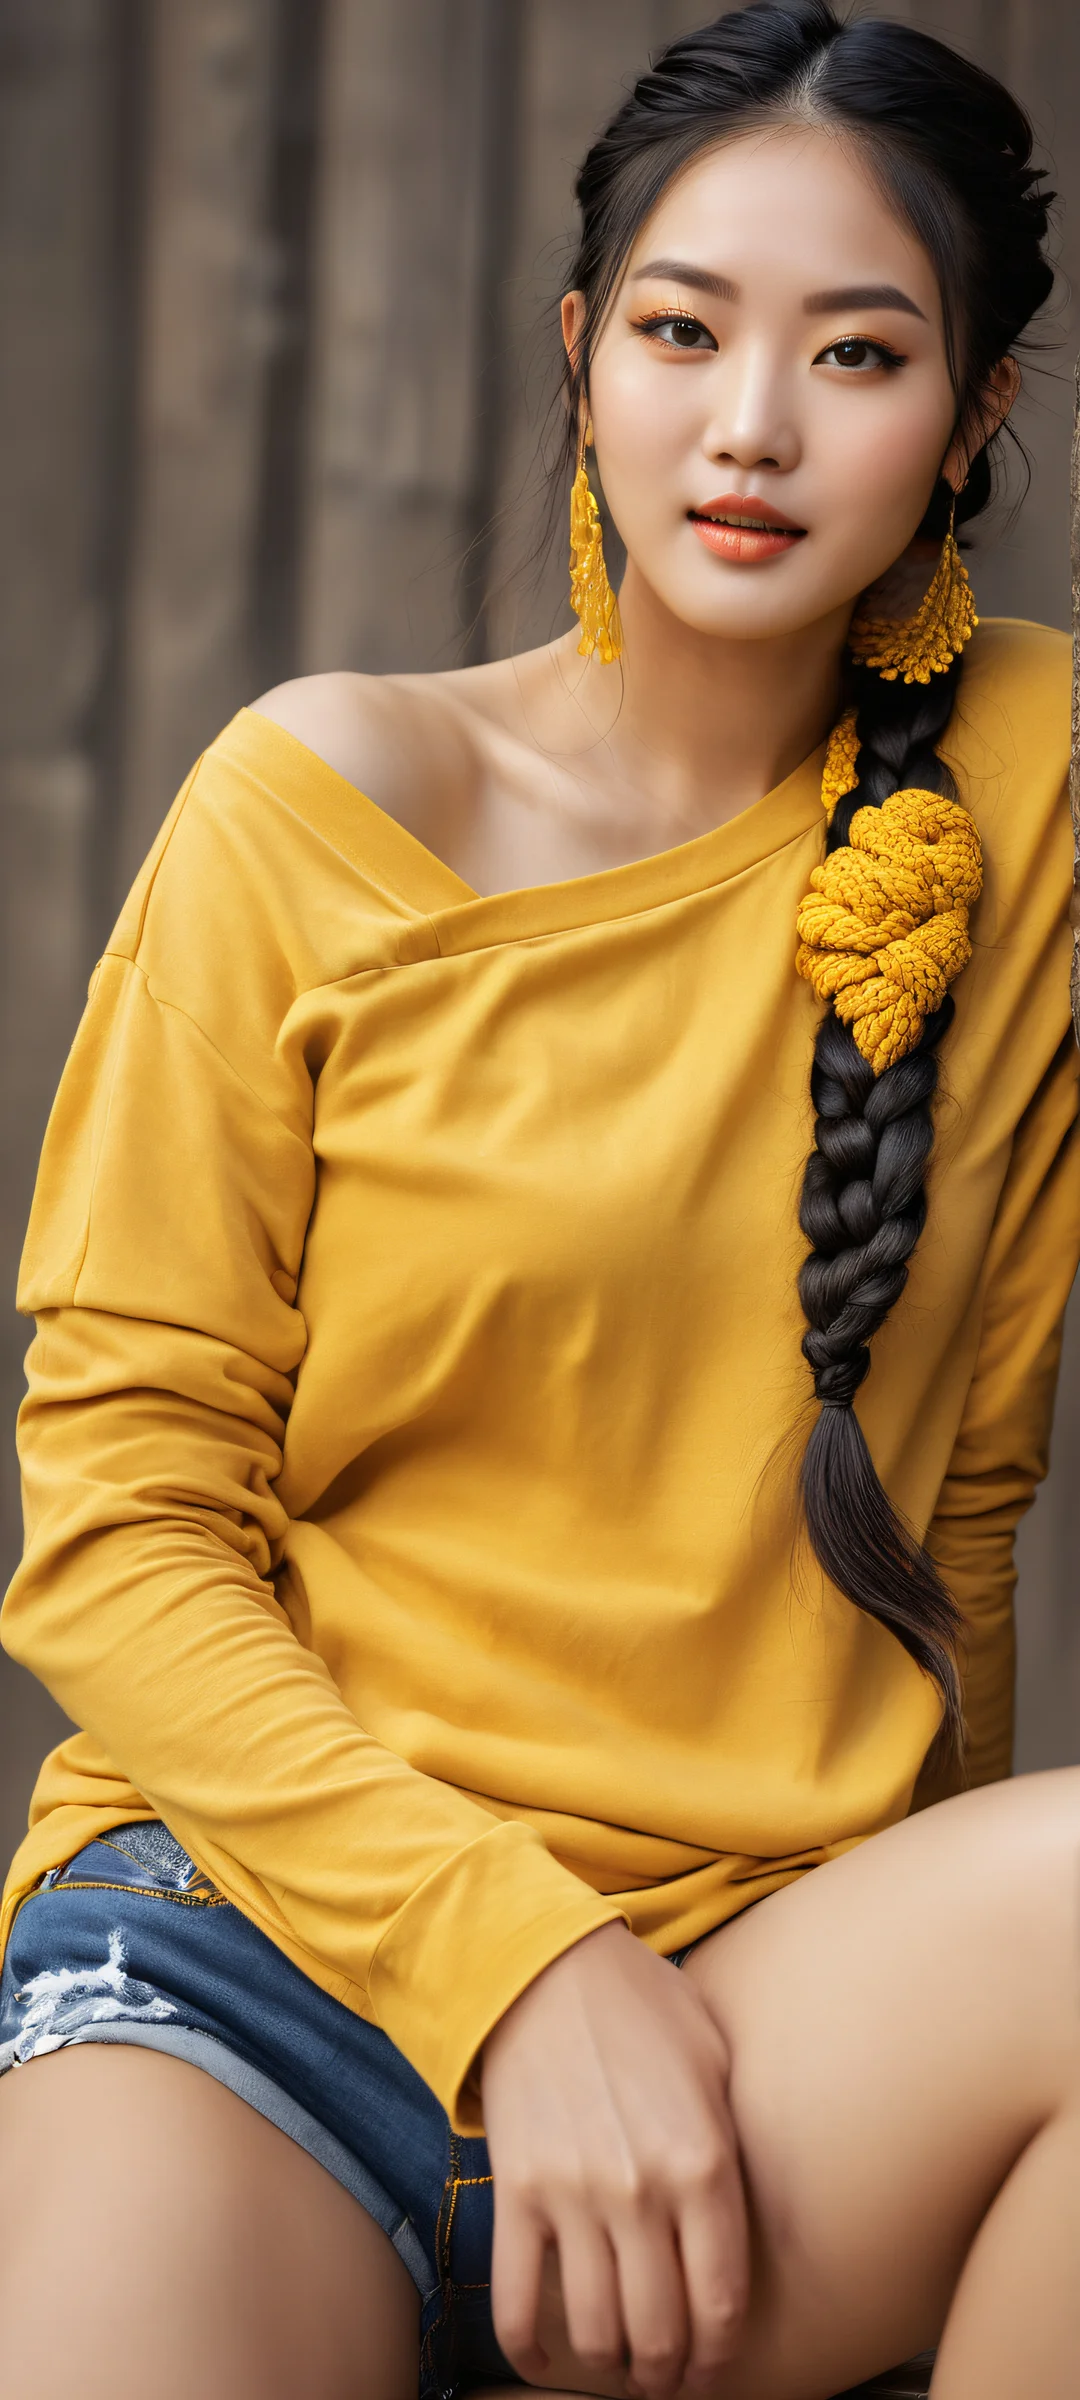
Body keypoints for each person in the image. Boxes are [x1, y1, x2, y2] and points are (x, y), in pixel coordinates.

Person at [1, 3, 1078, 2395]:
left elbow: (962, 1501)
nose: (754, 428)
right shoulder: (315, 801)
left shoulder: (1031, 796)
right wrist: (519, 1964)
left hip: (761, 1991)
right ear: (587, 354)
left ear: (975, 414)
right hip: (260, 1951)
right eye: (685, 333)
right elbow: (119, 1524)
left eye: (861, 353)